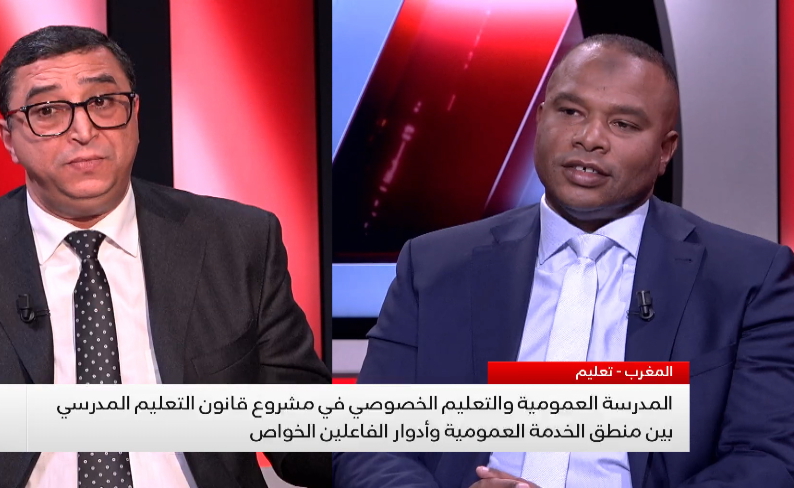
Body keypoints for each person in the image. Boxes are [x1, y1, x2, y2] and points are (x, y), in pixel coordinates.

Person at [0, 25, 330, 488]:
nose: (83, 130)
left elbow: (309, 436)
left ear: (135, 115)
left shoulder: (237, 242)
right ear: (9, 137)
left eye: (102, 102)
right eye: (47, 111)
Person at [333, 34, 794, 488]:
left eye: (623, 124)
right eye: (570, 111)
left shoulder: (749, 277)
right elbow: (368, 441)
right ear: (540, 119)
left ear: (665, 151)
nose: (589, 138)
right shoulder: (433, 265)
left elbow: (766, 458)